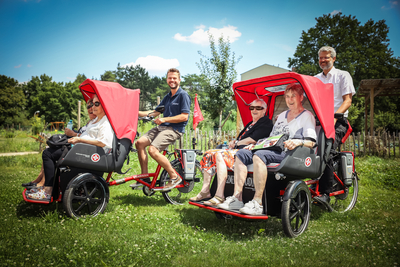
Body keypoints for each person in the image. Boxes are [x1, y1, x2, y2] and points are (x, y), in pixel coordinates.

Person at [217, 83, 317, 215]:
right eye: (287, 96)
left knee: (260, 155)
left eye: (293, 96)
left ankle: (257, 203)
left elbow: (311, 142)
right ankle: (237, 198)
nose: (289, 99)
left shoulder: (306, 116)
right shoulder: (281, 116)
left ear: (301, 97)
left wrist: (298, 141)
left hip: (291, 154)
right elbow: (270, 139)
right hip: (274, 150)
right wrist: (257, 144)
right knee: (241, 153)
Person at [26, 95, 114, 200]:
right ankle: (46, 188)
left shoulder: (106, 123)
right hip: (82, 150)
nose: (92, 107)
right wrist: (76, 138)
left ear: (104, 105)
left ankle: (47, 191)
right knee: (50, 151)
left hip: (89, 154)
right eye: (91, 104)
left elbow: (102, 142)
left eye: (96, 104)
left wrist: (79, 139)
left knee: (48, 154)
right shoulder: (97, 121)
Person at [189, 99, 273, 206]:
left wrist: (237, 142)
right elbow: (242, 138)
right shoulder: (250, 124)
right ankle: (205, 190)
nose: (254, 110)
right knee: (209, 153)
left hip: (247, 151)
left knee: (220, 155)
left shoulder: (266, 122)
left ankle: (219, 196)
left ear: (264, 110)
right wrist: (235, 141)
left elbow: (253, 139)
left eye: (258, 108)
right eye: (252, 108)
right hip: (237, 149)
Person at [131, 68, 191, 191]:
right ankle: (145, 178)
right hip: (162, 127)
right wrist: (135, 112)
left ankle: (174, 176)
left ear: (179, 80)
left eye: (174, 78)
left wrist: (164, 119)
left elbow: (184, 116)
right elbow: (154, 113)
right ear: (167, 80)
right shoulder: (167, 97)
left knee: (153, 150)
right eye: (170, 78)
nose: (172, 80)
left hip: (174, 129)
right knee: (139, 143)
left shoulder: (183, 95)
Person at [313, 46, 356, 208]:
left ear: (334, 59)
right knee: (309, 150)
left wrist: (334, 116)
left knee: (328, 151)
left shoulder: (342, 76)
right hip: (319, 121)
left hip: (338, 121)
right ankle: (313, 184)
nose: (323, 60)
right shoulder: (315, 79)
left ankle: (325, 194)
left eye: (326, 57)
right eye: (321, 58)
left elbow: (347, 100)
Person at [22, 99, 96, 191]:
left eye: (93, 105)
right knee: (49, 149)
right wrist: (73, 133)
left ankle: (44, 186)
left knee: (48, 153)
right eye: (88, 106)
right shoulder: (91, 122)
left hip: (80, 151)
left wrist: (73, 134)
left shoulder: (97, 123)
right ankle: (40, 179)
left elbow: (90, 138)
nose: (90, 108)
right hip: (76, 147)